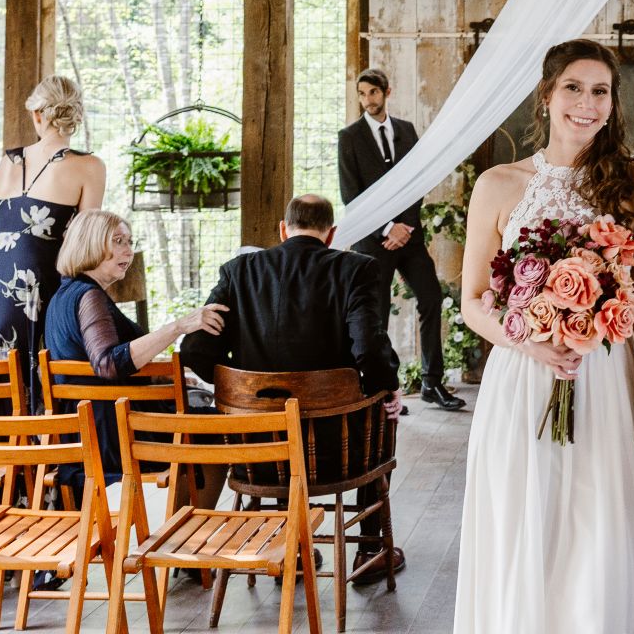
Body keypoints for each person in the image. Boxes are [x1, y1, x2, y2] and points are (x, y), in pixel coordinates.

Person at [453, 39, 634, 634]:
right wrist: (526, 339)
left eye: (601, 91)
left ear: (614, 102)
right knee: (527, 526)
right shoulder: (498, 184)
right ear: (547, 96)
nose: (587, 103)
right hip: (523, 379)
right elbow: (473, 301)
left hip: (610, 379)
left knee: (602, 529)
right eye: (573, 89)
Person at [181, 193, 404, 580]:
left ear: (282, 230)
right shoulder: (357, 269)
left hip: (257, 452)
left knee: (362, 403)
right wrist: (387, 387)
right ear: (331, 234)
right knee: (380, 407)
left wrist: (241, 388)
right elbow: (368, 347)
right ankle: (369, 550)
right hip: (339, 451)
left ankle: (289, 547)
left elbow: (195, 349)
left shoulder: (238, 272)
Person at [0, 76, 106, 412]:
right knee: (25, 366)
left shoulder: (10, 160)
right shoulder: (89, 166)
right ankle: (28, 449)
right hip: (32, 279)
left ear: (38, 114)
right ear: (75, 114)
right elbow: (84, 241)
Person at [44, 210, 225, 482]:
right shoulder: (89, 296)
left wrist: (159, 375)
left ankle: (184, 520)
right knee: (226, 428)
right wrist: (179, 326)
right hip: (113, 433)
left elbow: (91, 364)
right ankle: (191, 522)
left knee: (209, 423)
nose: (128, 251)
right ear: (90, 243)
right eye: (118, 241)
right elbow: (108, 364)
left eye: (130, 241)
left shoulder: (65, 294)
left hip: (87, 430)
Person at [337, 68, 461, 412]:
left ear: (386, 92)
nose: (367, 100)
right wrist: (385, 228)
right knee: (375, 314)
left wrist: (404, 226)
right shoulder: (348, 137)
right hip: (372, 242)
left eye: (373, 93)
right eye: (361, 94)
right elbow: (351, 196)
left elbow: (418, 182)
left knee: (431, 297)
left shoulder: (406, 130)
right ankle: (382, 390)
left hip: (409, 237)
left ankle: (431, 383)